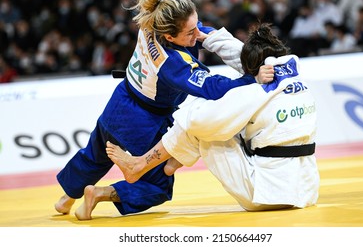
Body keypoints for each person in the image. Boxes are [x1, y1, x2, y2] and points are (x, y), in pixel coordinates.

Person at [54, 0, 273, 220]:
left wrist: (201, 33)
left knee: (95, 154)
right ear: (170, 36)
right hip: (143, 120)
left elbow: (199, 31)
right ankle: (98, 194)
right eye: (190, 33)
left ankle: (66, 197)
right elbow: (210, 87)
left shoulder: (152, 22)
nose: (196, 34)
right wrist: (251, 79)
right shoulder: (170, 63)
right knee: (158, 186)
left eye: (195, 23)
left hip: (119, 101)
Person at [106, 22, 320, 211]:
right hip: (306, 188)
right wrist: (207, 37)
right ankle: (172, 161)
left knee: (199, 118)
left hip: (266, 193)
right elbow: (244, 55)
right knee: (221, 122)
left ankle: (142, 164)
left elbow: (197, 121)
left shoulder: (254, 93)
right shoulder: (292, 73)